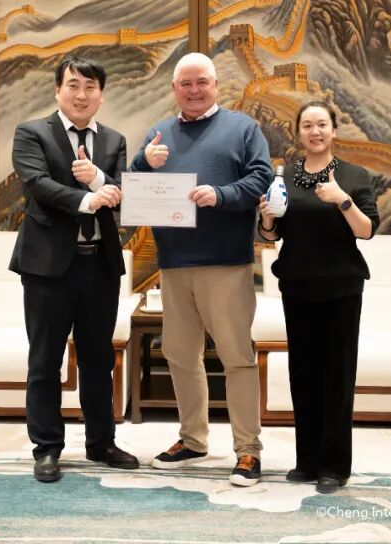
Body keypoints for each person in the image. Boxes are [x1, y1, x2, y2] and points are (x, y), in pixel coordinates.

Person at [130, 51, 273, 486]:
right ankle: (193, 439)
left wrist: (221, 195)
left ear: (215, 85)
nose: (194, 90)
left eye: (202, 82)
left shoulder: (243, 128)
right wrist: (143, 163)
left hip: (226, 263)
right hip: (174, 264)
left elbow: (261, 178)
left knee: (236, 357)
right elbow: (135, 187)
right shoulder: (159, 133)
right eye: (186, 83)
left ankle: (248, 451)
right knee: (179, 355)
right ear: (175, 88)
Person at [8, 55, 139, 483]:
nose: (81, 95)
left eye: (90, 87)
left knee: (99, 361)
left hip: (99, 265)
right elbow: (37, 184)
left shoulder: (114, 140)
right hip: (48, 267)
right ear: (57, 90)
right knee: (45, 360)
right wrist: (86, 199)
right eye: (73, 86)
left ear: (101, 94)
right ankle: (47, 448)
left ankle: (101, 443)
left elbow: (123, 191)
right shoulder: (32, 133)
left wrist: (99, 180)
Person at [257, 100, 380, 494]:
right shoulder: (285, 177)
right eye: (307, 125)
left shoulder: (353, 175)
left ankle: (335, 466)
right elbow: (272, 235)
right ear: (298, 132)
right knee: (303, 375)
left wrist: (342, 199)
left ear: (333, 130)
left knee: (337, 377)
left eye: (322, 124)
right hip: (297, 286)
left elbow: (366, 231)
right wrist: (267, 218)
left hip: (342, 288)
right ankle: (307, 461)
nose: (315, 131)